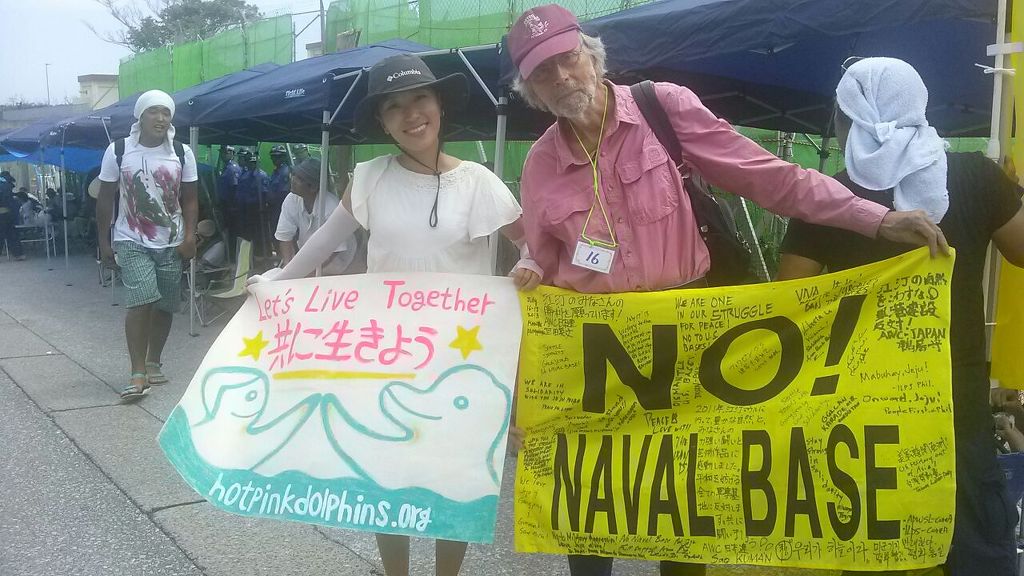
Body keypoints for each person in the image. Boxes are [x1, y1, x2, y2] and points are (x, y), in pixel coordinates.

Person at [506, 6, 949, 576]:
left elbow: (773, 178)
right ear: (532, 91)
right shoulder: (540, 165)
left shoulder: (662, 107)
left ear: (592, 56)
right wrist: (523, 397)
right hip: (600, 357)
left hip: (684, 343)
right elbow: (540, 283)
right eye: (543, 72)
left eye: (568, 59)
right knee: (591, 506)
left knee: (683, 511)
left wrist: (877, 219)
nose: (562, 77)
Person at [249, 53, 540, 576]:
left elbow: (528, 244)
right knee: (386, 475)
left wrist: (529, 263)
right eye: (394, 106)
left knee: (456, 477)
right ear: (382, 123)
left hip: (461, 360)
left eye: (420, 99)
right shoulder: (370, 178)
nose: (411, 114)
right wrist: (276, 283)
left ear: (440, 105)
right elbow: (321, 244)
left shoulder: (479, 182)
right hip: (387, 355)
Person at [777, 57, 1024, 576]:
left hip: (859, 403)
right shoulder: (974, 177)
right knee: (972, 534)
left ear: (851, 119)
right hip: (953, 393)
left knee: (875, 536)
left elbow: (790, 297)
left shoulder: (828, 199)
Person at [96, 89, 199, 400]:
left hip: (171, 241)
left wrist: (190, 237)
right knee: (141, 300)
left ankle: (154, 361)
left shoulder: (182, 153)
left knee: (165, 305)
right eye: (153, 111)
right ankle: (137, 372)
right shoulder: (118, 150)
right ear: (140, 116)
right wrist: (104, 243)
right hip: (131, 238)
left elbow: (191, 199)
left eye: (166, 112)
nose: (160, 118)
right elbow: (104, 199)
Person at [273, 157, 356, 275]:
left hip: (337, 259)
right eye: (294, 175)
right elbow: (285, 235)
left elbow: (334, 250)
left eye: (300, 179)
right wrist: (287, 266)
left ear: (313, 187)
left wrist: (307, 272)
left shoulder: (331, 207)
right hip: (311, 256)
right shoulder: (291, 199)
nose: (293, 180)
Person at [237, 148, 270, 257]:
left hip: (257, 209)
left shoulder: (262, 175)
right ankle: (250, 256)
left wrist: (263, 207)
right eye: (249, 162)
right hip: (245, 209)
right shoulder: (245, 175)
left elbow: (265, 194)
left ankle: (262, 254)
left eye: (253, 162)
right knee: (248, 234)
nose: (251, 165)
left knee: (260, 234)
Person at [217, 144, 243, 258]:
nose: (223, 155)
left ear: (232, 154)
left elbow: (234, 188)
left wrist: (232, 206)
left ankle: (233, 255)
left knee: (233, 232)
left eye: (226, 152)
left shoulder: (232, 168)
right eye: (222, 153)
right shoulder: (226, 167)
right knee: (228, 231)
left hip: (231, 205)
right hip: (226, 204)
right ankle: (230, 254)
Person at [267, 144, 291, 256]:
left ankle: (284, 257)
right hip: (274, 209)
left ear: (283, 157)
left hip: (280, 208)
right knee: (275, 234)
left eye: (278, 156)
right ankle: (280, 256)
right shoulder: (276, 171)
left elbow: (283, 193)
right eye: (273, 157)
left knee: (281, 235)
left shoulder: (285, 172)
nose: (275, 159)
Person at [0, 170, 23, 260]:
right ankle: (18, 254)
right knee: (12, 234)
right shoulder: (7, 186)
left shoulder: (2, 184)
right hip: (9, 213)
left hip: (2, 214)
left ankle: (18, 254)